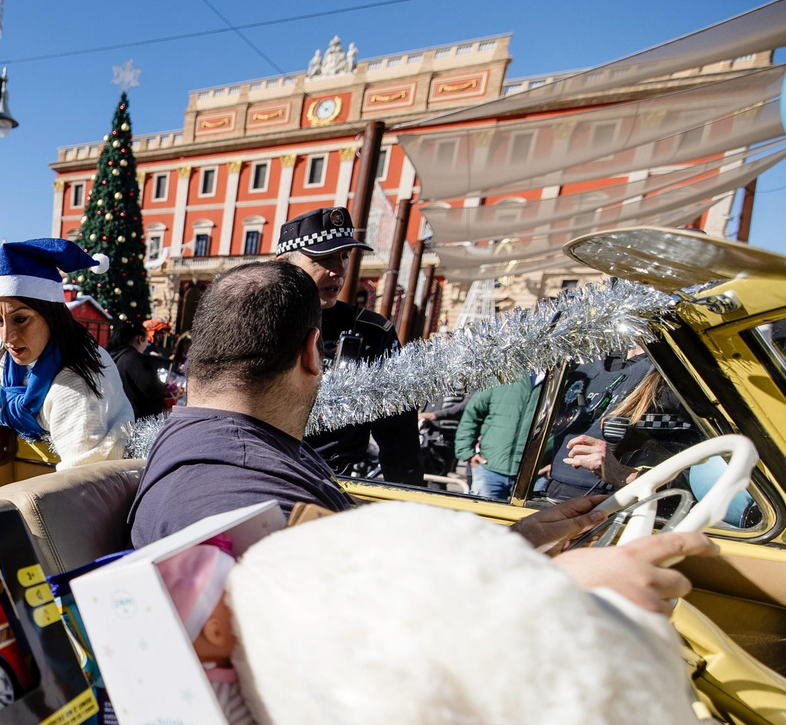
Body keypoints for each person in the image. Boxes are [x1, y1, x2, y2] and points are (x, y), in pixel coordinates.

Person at [128, 259, 715, 615]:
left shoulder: (227, 450)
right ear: (314, 353)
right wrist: (554, 584)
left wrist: (515, 545)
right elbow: (343, 628)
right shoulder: (227, 489)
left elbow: (365, 577)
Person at [0, 239, 133, 470]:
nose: (7, 337)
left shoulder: (78, 382)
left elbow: (83, 482)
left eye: (20, 319)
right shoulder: (6, 354)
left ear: (51, 315)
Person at [275, 207, 422, 486]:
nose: (340, 269)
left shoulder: (372, 331)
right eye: (324, 258)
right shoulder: (254, 320)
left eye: (344, 256)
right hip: (261, 477)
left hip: (337, 485)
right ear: (285, 264)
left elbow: (399, 436)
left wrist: (408, 505)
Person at [541, 350, 653, 500]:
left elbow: (690, 469)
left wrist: (626, 474)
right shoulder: (586, 359)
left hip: (613, 502)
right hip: (554, 491)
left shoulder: (669, 372)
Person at [457, 375, 544, 501]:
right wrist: (466, 452)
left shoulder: (562, 378)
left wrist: (555, 465)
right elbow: (472, 414)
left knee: (530, 520)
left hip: (535, 474)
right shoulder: (503, 376)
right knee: (483, 518)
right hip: (489, 468)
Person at [110, 320, 167, 420]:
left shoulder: (113, 355)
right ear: (140, 339)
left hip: (117, 417)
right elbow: (152, 389)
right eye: (146, 340)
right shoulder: (133, 358)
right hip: (136, 421)